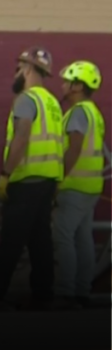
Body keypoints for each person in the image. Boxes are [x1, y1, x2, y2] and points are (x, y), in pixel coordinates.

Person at [0, 47, 64, 309]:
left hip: (26, 180)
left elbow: (22, 136)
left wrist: (5, 174)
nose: (15, 74)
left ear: (28, 69)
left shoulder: (26, 100)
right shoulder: (51, 103)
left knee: (11, 240)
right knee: (40, 240)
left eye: (18, 68)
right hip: (48, 181)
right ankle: (43, 294)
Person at [52, 60, 105, 308]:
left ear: (77, 86)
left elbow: (74, 150)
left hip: (74, 188)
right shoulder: (94, 112)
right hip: (91, 188)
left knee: (63, 237)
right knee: (83, 239)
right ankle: (82, 290)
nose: (62, 85)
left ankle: (66, 292)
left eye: (66, 81)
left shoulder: (78, 113)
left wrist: (57, 180)